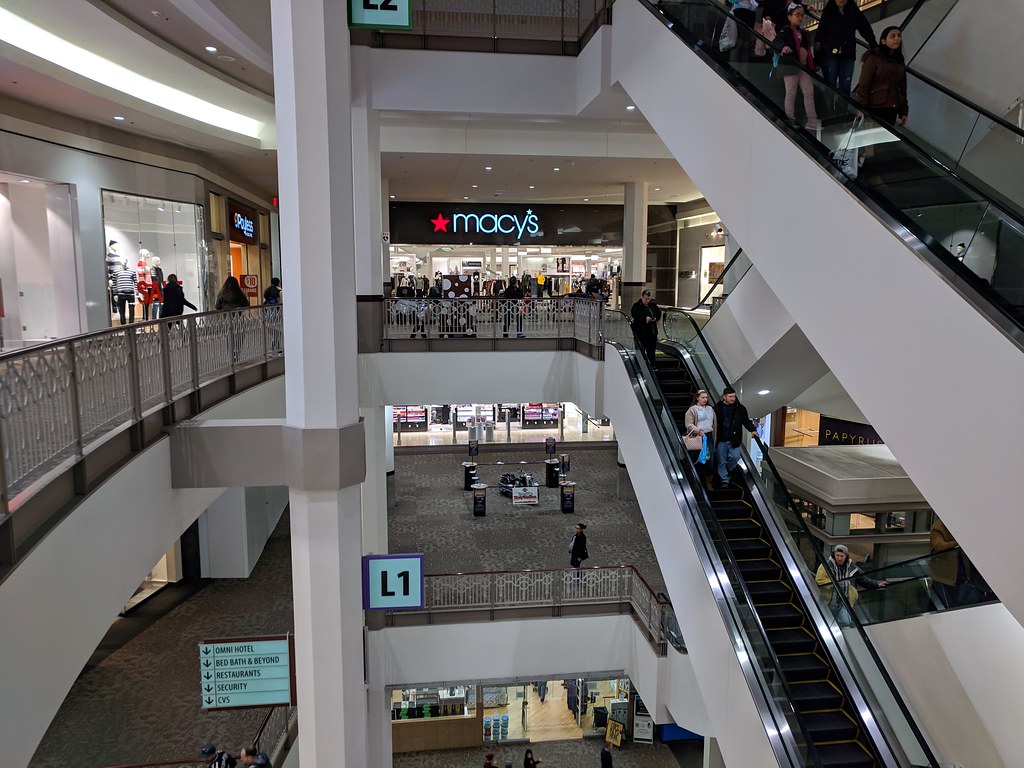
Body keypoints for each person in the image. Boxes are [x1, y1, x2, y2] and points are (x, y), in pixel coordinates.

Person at [814, 0, 876, 98]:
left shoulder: (854, 12)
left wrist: (874, 45)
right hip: (829, 54)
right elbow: (819, 36)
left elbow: (865, 28)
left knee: (845, 88)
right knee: (830, 86)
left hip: (847, 53)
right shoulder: (828, 14)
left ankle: (842, 111)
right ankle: (829, 112)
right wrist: (816, 59)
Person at [814, 544, 887, 626]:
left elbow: (863, 580)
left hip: (844, 601)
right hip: (828, 601)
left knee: (846, 622)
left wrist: (877, 584)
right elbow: (819, 580)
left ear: (846, 556)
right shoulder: (826, 566)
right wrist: (834, 584)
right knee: (825, 620)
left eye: (842, 556)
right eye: (837, 555)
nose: (839, 558)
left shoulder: (852, 567)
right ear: (834, 554)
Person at [774, 3, 820, 130]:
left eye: (802, 15)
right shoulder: (785, 30)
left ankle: (812, 120)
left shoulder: (804, 33)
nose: (800, 18)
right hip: (790, 67)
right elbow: (777, 41)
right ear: (789, 17)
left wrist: (813, 64)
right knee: (791, 93)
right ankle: (790, 118)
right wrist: (783, 47)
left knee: (809, 92)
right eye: (797, 15)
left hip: (803, 66)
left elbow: (807, 50)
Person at [855, 25, 908, 126]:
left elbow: (903, 88)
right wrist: (861, 107)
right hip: (875, 106)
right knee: (871, 138)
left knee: (884, 139)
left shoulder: (899, 61)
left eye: (899, 35)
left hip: (892, 106)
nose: (897, 38)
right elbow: (864, 83)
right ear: (884, 41)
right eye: (892, 36)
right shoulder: (874, 58)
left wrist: (904, 111)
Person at [712, 386, 757, 488]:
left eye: (734, 396)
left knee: (735, 457)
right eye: (730, 396)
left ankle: (724, 472)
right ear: (724, 397)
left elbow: (746, 421)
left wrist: (752, 430)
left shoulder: (740, 409)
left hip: (734, 439)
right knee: (721, 460)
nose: (733, 398)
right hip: (720, 440)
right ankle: (724, 481)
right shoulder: (717, 408)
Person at [684, 389, 717, 491]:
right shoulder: (692, 410)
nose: (705, 399)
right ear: (697, 398)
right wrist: (698, 430)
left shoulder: (710, 409)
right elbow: (688, 424)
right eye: (702, 397)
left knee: (710, 460)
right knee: (697, 458)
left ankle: (708, 480)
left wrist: (715, 436)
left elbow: (714, 424)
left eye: (706, 397)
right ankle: (695, 481)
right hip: (697, 436)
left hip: (709, 435)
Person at [630, 289, 661, 361]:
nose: (647, 301)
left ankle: (652, 364)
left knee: (651, 350)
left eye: (649, 299)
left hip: (652, 332)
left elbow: (658, 313)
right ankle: (640, 364)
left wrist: (655, 318)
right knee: (641, 349)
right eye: (646, 299)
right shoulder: (637, 306)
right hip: (641, 332)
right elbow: (635, 315)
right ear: (642, 297)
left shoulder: (653, 305)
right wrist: (644, 319)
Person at [113, 258, 138, 325]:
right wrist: (115, 293)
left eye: (125, 260)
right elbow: (114, 283)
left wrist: (137, 292)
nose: (124, 261)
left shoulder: (132, 271)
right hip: (121, 293)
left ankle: (131, 325)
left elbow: (136, 282)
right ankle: (123, 325)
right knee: (121, 311)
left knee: (132, 310)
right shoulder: (116, 271)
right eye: (123, 260)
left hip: (131, 293)